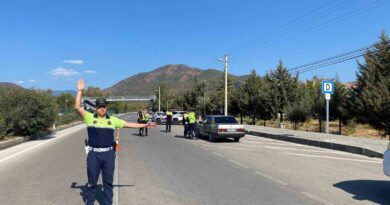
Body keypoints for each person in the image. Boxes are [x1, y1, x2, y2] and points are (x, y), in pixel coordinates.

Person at [75, 79, 153, 205]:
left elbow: (128, 124)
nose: (101, 108)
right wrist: (80, 91)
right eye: (99, 106)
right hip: (93, 154)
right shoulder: (89, 117)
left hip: (108, 154)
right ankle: (89, 202)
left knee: (108, 182)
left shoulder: (113, 120)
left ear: (106, 108)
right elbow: (77, 106)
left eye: (104, 106)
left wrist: (143, 125)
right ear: (95, 108)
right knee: (92, 183)